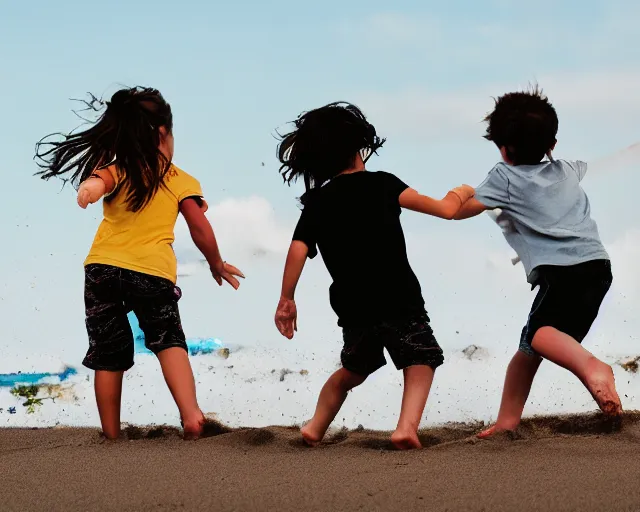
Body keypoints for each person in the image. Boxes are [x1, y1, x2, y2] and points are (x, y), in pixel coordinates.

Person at [35, 86, 244, 440]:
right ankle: (192, 417)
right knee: (167, 339)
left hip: (102, 269)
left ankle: (112, 434)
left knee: (108, 352)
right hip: (151, 272)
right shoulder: (180, 179)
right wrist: (216, 262)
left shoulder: (118, 169)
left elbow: (98, 182)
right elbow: (199, 227)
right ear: (163, 132)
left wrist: (88, 190)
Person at [273, 102, 475, 449]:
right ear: (356, 146)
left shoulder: (318, 202)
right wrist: (464, 191)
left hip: (353, 307)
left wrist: (287, 298)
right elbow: (445, 210)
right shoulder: (383, 184)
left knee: (353, 369)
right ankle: (406, 427)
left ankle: (315, 426)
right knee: (420, 357)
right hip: (398, 297)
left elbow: (297, 250)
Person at [452, 87, 622, 437]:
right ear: (552, 144)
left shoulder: (504, 177)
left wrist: (463, 192)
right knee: (529, 347)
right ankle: (507, 421)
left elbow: (460, 212)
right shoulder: (567, 170)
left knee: (542, 335)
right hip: (597, 269)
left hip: (563, 274)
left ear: (502, 147)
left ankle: (594, 368)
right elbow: (583, 167)